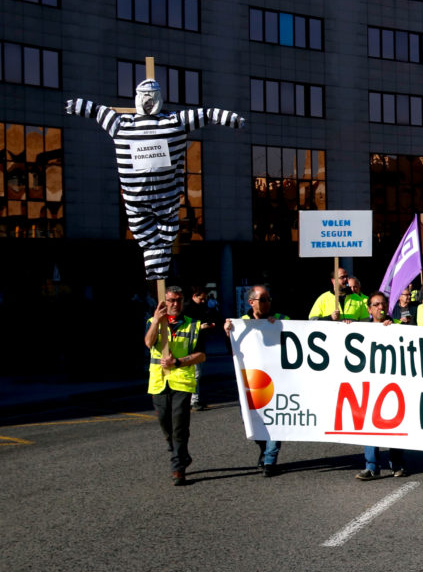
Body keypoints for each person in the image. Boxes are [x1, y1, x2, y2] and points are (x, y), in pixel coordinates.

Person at [65, 80, 245, 279]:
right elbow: (206, 114)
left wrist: (229, 118)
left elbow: (99, 112)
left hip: (150, 198)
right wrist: (230, 119)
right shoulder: (144, 123)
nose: (149, 102)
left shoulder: (134, 123)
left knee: (154, 228)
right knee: (158, 227)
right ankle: (157, 268)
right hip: (155, 198)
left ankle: (157, 268)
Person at [144, 286, 206, 486]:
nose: (175, 304)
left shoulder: (193, 325)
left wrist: (177, 362)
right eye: (171, 300)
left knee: (179, 424)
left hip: (182, 382)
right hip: (159, 382)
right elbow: (148, 342)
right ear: (164, 301)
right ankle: (180, 453)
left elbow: (201, 355)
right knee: (165, 424)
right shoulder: (153, 322)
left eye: (178, 300)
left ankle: (178, 467)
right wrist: (156, 320)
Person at [225, 285, 288, 476]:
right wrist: (228, 333)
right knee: (252, 420)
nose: (267, 303)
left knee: (275, 418)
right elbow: (233, 351)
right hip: (253, 381)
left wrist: (279, 326)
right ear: (251, 302)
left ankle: (270, 459)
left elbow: (296, 334)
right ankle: (263, 448)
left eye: (269, 299)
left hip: (278, 379)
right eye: (263, 300)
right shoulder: (241, 322)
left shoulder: (281, 318)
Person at [357, 292, 406, 480]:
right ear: (369, 309)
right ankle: (371, 466)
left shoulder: (397, 327)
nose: (380, 307)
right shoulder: (361, 329)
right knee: (370, 424)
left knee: (395, 422)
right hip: (369, 384)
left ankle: (397, 463)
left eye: (383, 304)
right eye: (376, 305)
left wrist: (394, 328)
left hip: (393, 385)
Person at [183, 285, 218, 411]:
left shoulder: (201, 307)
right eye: (201, 299)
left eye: (204, 299)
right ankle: (194, 400)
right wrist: (200, 327)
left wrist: (209, 324)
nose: (203, 301)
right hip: (191, 346)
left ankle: (193, 399)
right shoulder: (187, 309)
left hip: (198, 344)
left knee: (196, 373)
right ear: (194, 296)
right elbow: (183, 327)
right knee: (196, 373)